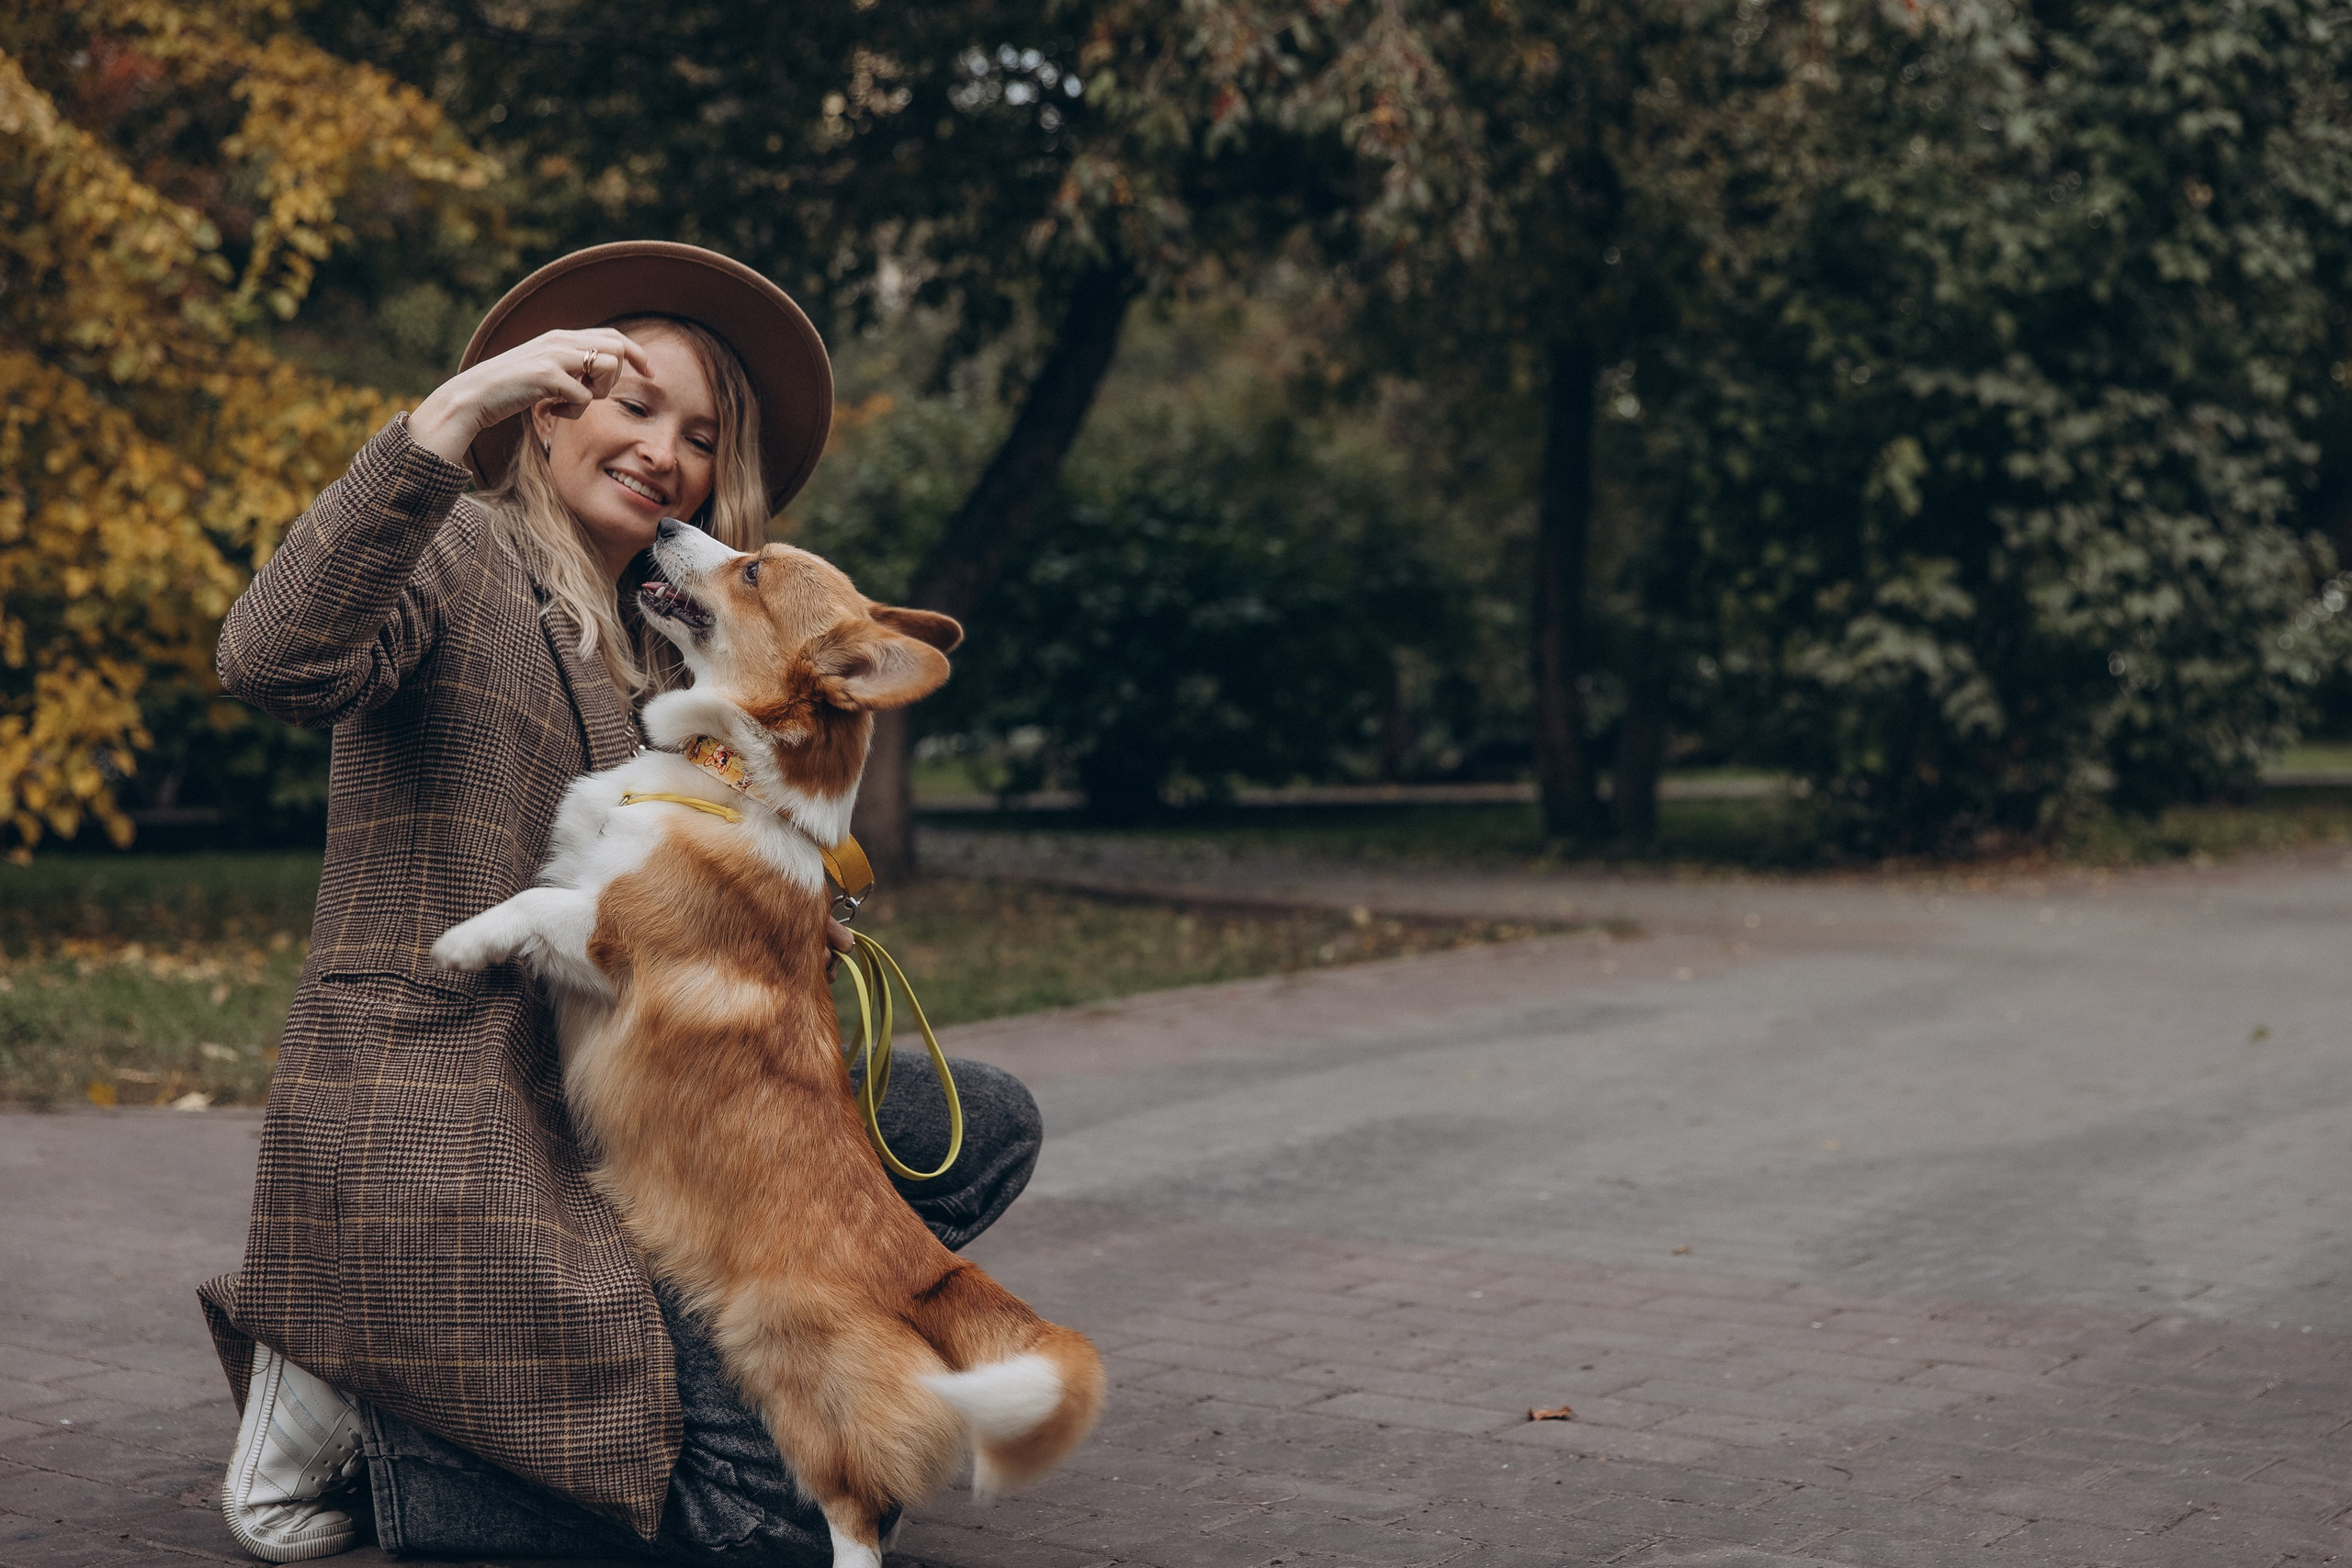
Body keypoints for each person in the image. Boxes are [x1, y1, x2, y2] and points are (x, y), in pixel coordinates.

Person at [198, 243, 1044, 1564]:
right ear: (549, 407)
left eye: (699, 436)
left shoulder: (678, 636)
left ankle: (730, 1354)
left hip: (643, 1102)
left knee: (979, 1123)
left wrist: (771, 911)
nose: (665, 451)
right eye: (631, 403)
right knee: (777, 1521)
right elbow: (269, 657)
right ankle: (385, 1419)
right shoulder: (458, 550)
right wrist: (445, 419)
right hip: (475, 1101)